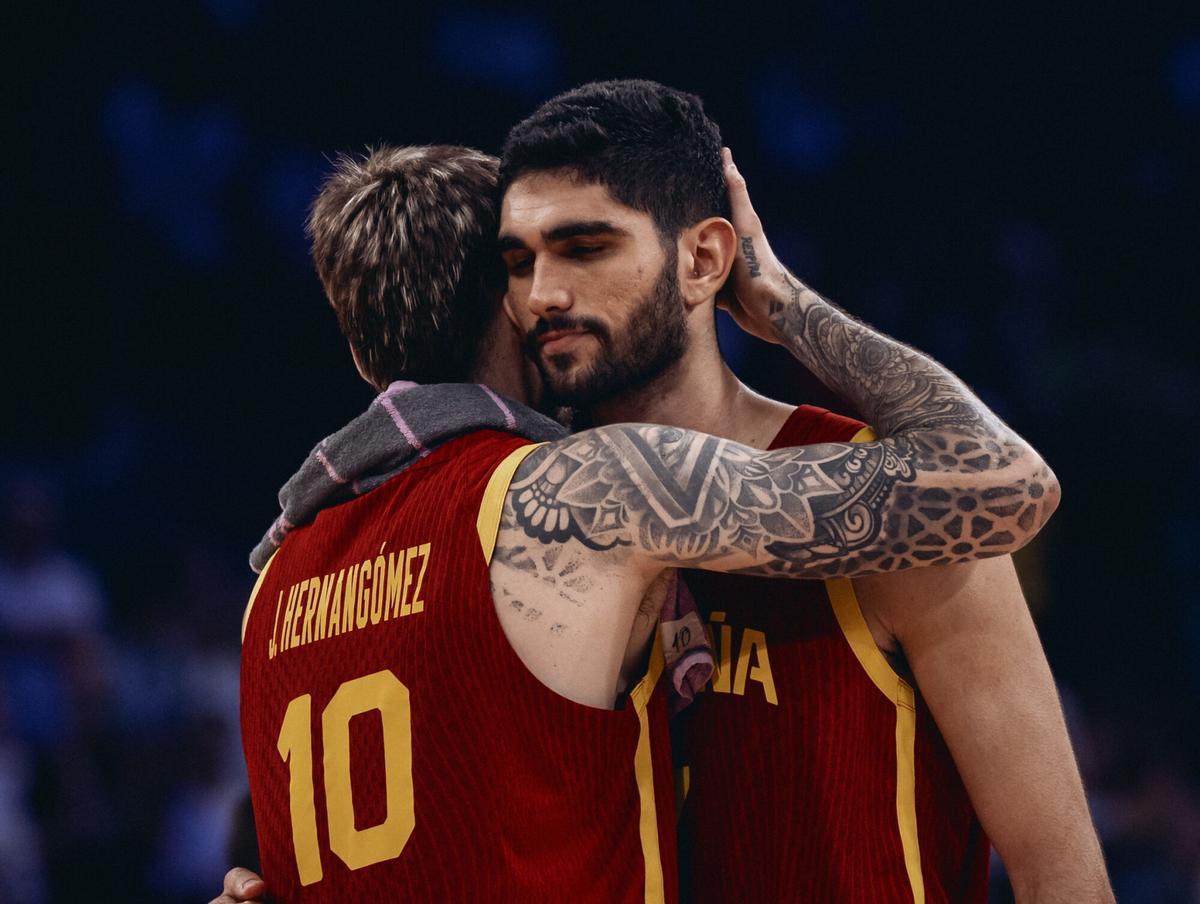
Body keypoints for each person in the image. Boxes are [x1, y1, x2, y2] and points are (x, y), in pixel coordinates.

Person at [227, 138, 1056, 903]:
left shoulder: (271, 585)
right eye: (525, 264)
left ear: (361, 349)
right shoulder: (572, 494)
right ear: (508, 302)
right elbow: (1005, 484)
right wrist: (784, 305)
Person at [493, 80, 1112, 902]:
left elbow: (1060, 877)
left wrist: (781, 301)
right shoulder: (511, 514)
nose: (542, 295)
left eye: (585, 247)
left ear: (704, 258)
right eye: (518, 262)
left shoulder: (899, 506)